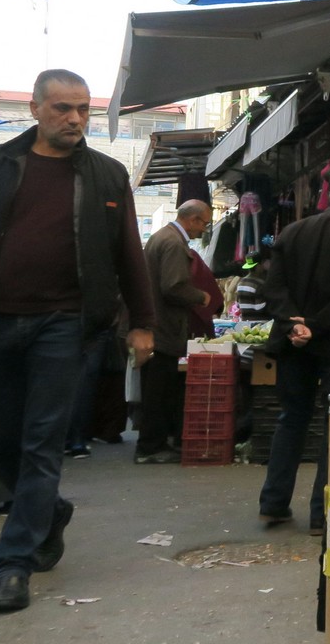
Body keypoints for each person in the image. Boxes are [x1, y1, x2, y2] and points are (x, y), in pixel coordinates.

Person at [0, 69, 157, 613]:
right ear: (35, 109)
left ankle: (14, 565)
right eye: (62, 108)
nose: (75, 119)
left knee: (42, 441)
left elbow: (128, 251)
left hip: (65, 324)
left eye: (83, 109)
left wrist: (142, 321)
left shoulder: (106, 174)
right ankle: (50, 510)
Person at [257, 178, 330, 533]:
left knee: (291, 419)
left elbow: (273, 288)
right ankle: (320, 514)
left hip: (291, 341)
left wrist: (293, 324)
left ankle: (273, 504)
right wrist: (314, 325)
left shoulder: (292, 231)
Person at [137, 199, 214, 465]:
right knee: (158, 390)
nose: (204, 229)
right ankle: (150, 447)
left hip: (157, 326)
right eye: (204, 223)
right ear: (192, 220)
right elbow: (173, 286)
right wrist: (201, 296)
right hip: (163, 328)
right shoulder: (173, 243)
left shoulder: (164, 237)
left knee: (156, 389)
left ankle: (154, 443)